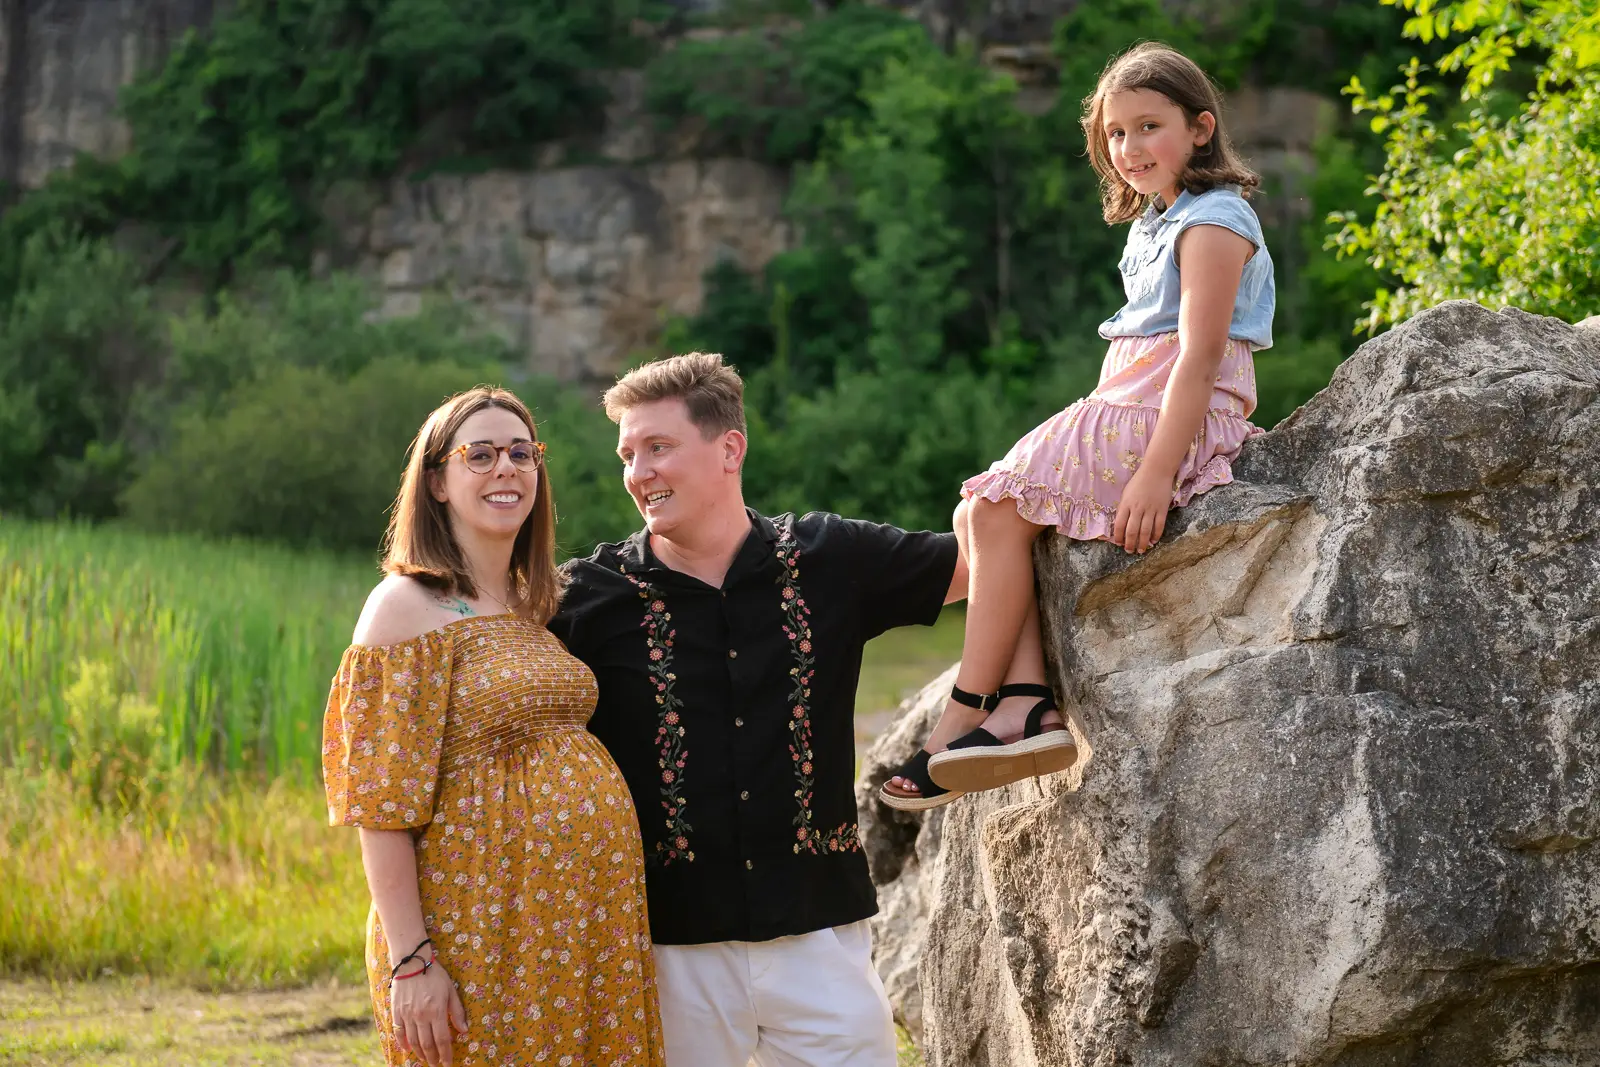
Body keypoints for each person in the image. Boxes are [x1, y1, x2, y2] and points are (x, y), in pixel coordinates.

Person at [880, 42, 1276, 810]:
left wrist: (1157, 473)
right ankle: (1026, 698)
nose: (1130, 149)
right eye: (1115, 134)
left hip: (1166, 413)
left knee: (993, 504)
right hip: (1130, 399)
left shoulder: (1217, 218)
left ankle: (968, 710)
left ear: (1200, 128)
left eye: (1149, 126)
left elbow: (1197, 360)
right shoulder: (1153, 225)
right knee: (981, 512)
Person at [547, 353, 966, 1067]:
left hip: (821, 942)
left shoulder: (831, 556)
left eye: (658, 446)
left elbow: (985, 563)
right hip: (667, 952)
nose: (638, 472)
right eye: (627, 454)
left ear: (729, 447)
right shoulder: (584, 598)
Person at [321, 387, 666, 1067]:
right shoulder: (405, 605)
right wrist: (412, 959)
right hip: (478, 927)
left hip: (579, 932)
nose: (505, 467)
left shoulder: (536, 601)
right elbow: (380, 805)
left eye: (520, 452)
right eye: (478, 455)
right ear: (437, 481)